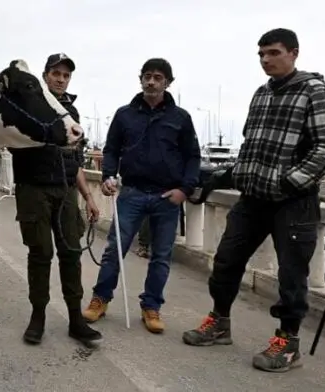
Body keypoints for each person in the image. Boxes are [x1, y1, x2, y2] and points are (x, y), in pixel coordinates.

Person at [182, 28, 325, 373]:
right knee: (225, 261)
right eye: (261, 55)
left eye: (273, 52)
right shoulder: (260, 94)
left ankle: (288, 344)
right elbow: (250, 149)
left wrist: (288, 182)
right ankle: (219, 323)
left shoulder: (314, 91)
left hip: (294, 203)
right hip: (253, 199)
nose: (266, 60)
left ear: (293, 53)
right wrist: (218, 180)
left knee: (291, 276)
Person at [82, 58, 201, 334]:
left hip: (166, 197)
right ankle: (100, 299)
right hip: (131, 193)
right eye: (147, 76)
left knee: (161, 256)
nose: (151, 81)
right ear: (140, 79)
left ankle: (151, 306)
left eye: (158, 77)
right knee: (115, 250)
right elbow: (111, 149)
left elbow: (192, 157)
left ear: (168, 82)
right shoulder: (124, 115)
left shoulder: (180, 118)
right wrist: (109, 175)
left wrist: (185, 189)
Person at [10, 52, 103, 345]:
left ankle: (76, 319)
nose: (61, 79)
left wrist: (88, 197)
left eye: (66, 75)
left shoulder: (70, 114)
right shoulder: (28, 106)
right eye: (56, 74)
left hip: (65, 191)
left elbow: (74, 163)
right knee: (40, 255)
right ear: (45, 75)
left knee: (71, 255)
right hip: (34, 190)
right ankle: (38, 316)